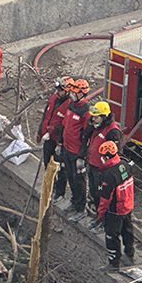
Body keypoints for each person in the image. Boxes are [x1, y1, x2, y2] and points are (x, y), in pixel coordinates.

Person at [94, 140, 136, 269]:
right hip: (128, 206)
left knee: (111, 235)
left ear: (106, 157)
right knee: (127, 231)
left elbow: (105, 199)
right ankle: (130, 255)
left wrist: (100, 215)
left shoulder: (109, 175)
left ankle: (114, 263)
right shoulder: (125, 164)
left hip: (115, 210)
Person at [83, 100, 121, 219]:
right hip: (93, 165)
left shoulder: (112, 132)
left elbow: (115, 153)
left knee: (103, 196)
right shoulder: (97, 126)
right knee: (94, 192)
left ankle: (103, 219)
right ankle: (97, 215)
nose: (93, 119)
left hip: (103, 170)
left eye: (96, 117)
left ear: (104, 117)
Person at [58, 78, 91, 212]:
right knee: (70, 177)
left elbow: (87, 136)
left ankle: (80, 207)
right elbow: (64, 125)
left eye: (75, 92)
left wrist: (82, 156)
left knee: (79, 180)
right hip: (67, 148)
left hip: (77, 152)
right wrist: (60, 143)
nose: (72, 95)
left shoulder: (86, 111)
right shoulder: (71, 106)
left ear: (82, 93)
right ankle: (74, 201)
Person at [38, 77, 71, 168]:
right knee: (47, 162)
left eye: (60, 90)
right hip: (48, 138)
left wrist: (52, 131)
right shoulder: (53, 98)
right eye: (57, 90)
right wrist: (40, 131)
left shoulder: (69, 106)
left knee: (56, 167)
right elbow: (45, 115)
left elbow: (66, 127)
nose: (58, 92)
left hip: (58, 141)